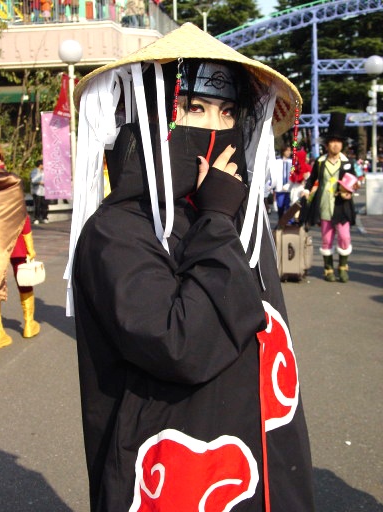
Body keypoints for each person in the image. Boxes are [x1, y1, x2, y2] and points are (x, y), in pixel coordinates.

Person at [65, 23, 315, 511]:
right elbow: (182, 344)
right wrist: (217, 221)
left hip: (256, 466)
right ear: (152, 116)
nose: (214, 128)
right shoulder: (118, 230)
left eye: (227, 112)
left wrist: (220, 216)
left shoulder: (236, 214)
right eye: (193, 108)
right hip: (174, 480)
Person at [303, 112, 357, 283]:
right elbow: (311, 180)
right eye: (332, 142)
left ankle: (342, 268)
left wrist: (352, 190)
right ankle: (328, 269)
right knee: (327, 238)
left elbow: (355, 181)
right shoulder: (320, 162)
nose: (335, 145)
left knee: (344, 236)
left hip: (342, 205)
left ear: (342, 145)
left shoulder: (347, 162)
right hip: (325, 204)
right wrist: (306, 191)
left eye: (338, 142)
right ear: (327, 145)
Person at [0, 156, 40, 348]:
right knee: (24, 279)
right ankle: (29, 324)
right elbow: (23, 217)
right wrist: (30, 247)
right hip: (16, 244)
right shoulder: (12, 183)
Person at [270, 144, 292, 220]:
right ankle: (281, 221)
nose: (289, 152)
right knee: (280, 206)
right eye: (287, 150)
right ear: (283, 151)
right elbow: (273, 173)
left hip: (289, 188)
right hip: (279, 188)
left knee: (289, 206)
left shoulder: (292, 162)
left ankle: (289, 223)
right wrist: (272, 185)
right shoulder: (277, 161)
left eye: (290, 150)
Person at [30, 159, 49, 224]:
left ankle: (44, 217)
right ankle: (36, 218)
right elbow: (33, 180)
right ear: (40, 165)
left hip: (44, 191)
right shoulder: (35, 171)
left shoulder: (45, 171)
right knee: (37, 205)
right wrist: (40, 182)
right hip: (37, 191)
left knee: (45, 205)